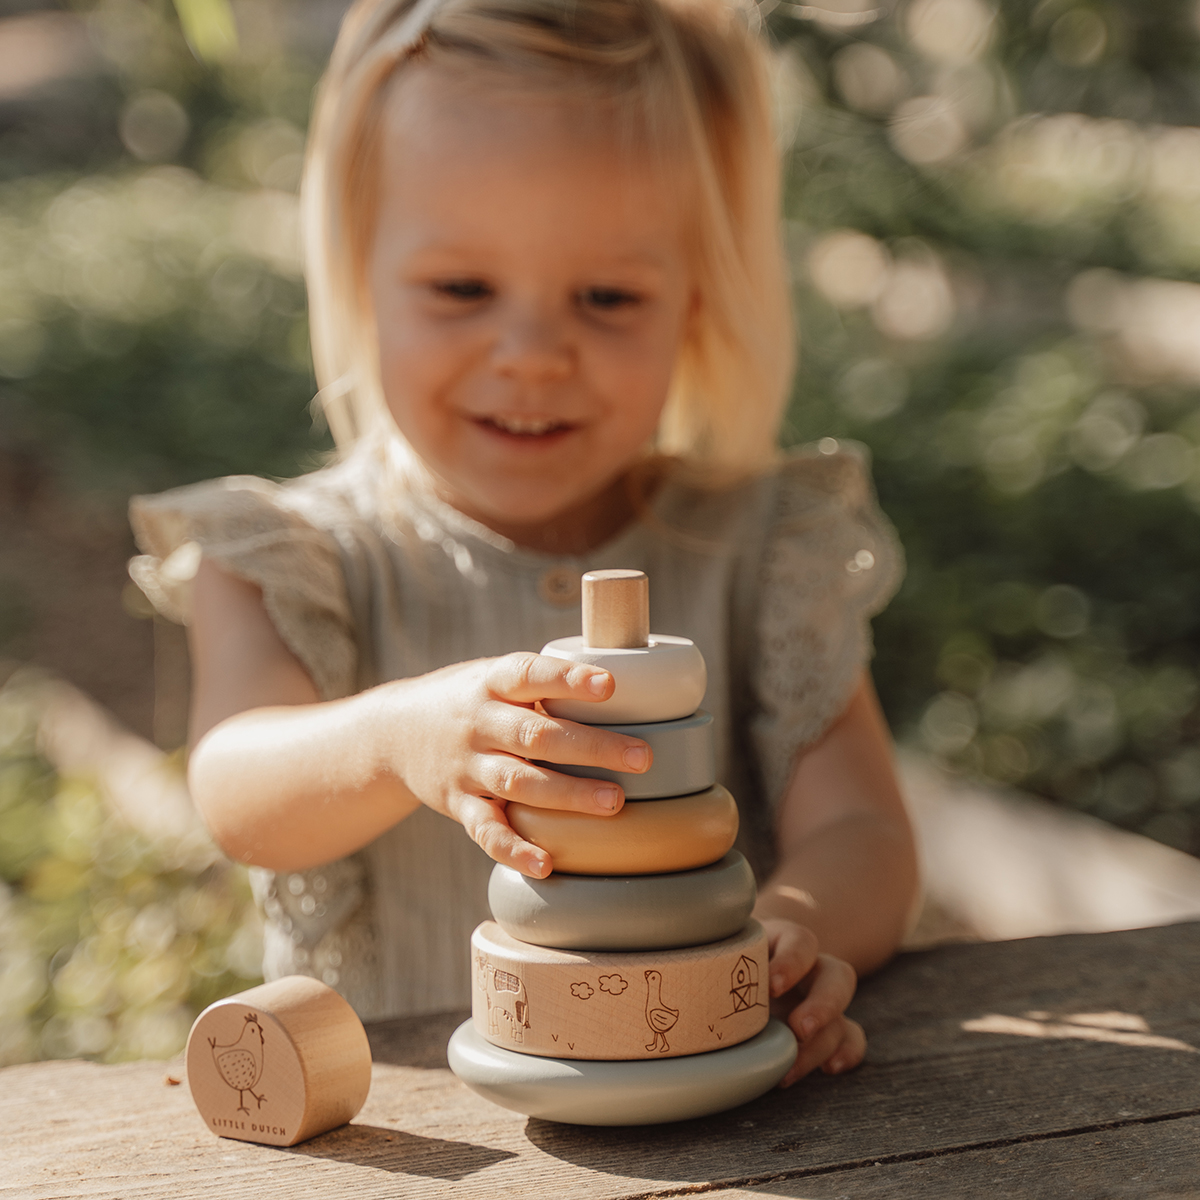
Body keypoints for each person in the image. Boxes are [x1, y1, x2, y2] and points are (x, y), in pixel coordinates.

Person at [129, 0, 919, 1087]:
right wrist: (400, 740)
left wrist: (799, 923)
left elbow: (866, 831)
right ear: (361, 273)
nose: (534, 353)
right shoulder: (290, 554)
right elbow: (235, 789)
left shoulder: (761, 547)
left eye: (607, 295)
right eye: (462, 288)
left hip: (708, 1107)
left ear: (696, 298)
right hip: (413, 1138)